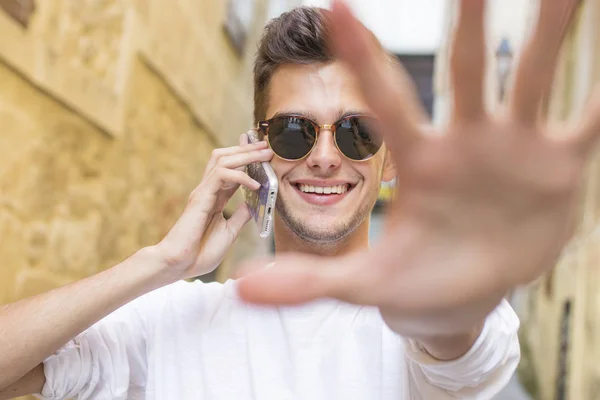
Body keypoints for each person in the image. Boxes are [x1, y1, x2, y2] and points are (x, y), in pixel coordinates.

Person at [1, 0, 597, 399]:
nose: (324, 157)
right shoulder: (168, 320)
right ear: (256, 149)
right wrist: (160, 263)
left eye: (357, 131)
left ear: (388, 157)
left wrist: (452, 281)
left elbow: (446, 337)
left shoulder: (441, 316)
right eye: (293, 130)